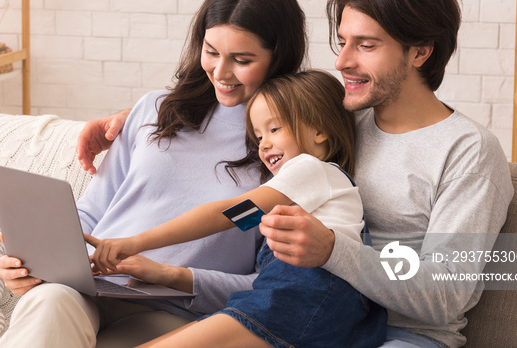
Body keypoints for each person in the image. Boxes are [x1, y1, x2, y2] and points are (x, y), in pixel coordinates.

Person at [77, 0, 514, 348]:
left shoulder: (468, 152)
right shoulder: (339, 124)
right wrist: (132, 119)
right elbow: (245, 135)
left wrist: (331, 252)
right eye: (341, 41)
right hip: (305, 314)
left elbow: (445, 296)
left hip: (402, 334)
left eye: (365, 45)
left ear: (420, 51)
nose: (341, 61)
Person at [0, 0, 309, 348]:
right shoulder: (154, 110)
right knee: (47, 302)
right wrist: (38, 260)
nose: (221, 73)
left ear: (279, 57)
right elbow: (92, 214)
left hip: (178, 314)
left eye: (242, 59)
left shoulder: (288, 149)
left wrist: (170, 275)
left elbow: (267, 286)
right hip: (88, 289)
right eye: (211, 52)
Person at [88, 69, 387, 348]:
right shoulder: (293, 193)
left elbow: (227, 215)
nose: (264, 145)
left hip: (308, 296)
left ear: (320, 131)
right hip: (280, 297)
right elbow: (243, 218)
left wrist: (134, 242)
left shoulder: (310, 170)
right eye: (258, 136)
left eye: (274, 128)